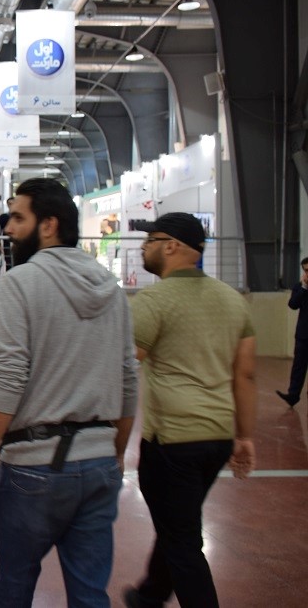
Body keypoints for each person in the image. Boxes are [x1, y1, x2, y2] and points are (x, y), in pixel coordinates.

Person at [0, 178, 137, 607]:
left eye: (18, 218)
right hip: (98, 464)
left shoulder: (20, 282)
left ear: (49, 225)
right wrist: (115, 452)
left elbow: (8, 378)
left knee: (14, 585)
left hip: (33, 468)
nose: (8, 228)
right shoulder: (111, 289)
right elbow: (128, 380)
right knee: (90, 594)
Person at [124, 212, 256, 608]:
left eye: (150, 240)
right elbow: (245, 375)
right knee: (178, 522)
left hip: (172, 442)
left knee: (181, 539)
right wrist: (245, 436)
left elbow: (125, 366)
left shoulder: (154, 300)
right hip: (216, 438)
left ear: (172, 246)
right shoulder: (233, 300)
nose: (144, 247)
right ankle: (150, 595)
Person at [276, 256, 308, 407]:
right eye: (305, 270)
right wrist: (304, 288)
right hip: (303, 334)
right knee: (298, 367)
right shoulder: (300, 287)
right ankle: (293, 395)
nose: (307, 273)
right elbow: (293, 304)